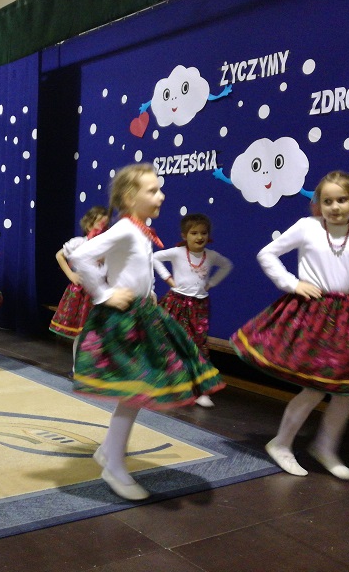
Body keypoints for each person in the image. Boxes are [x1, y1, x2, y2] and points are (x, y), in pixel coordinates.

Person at [231, 171, 349, 480]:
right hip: (311, 314)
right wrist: (292, 283)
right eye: (327, 201)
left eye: (342, 200)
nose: (334, 207)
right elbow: (267, 254)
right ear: (318, 203)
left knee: (346, 391)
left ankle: (325, 446)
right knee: (314, 387)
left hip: (345, 319)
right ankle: (281, 443)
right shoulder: (307, 227)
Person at [69, 164, 224, 500]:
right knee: (135, 391)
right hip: (122, 319)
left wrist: (149, 291)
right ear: (129, 198)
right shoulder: (126, 229)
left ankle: (109, 453)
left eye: (159, 189)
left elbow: (135, 267)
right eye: (152, 190)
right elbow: (80, 256)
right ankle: (113, 465)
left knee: (136, 392)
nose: (161, 195)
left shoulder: (141, 231)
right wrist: (104, 294)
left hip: (141, 313)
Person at [154, 213, 233, 407]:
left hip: (199, 307)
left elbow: (226, 265)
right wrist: (168, 278)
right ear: (184, 235)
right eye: (194, 233)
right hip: (176, 303)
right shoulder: (177, 253)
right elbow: (154, 257)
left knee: (196, 346)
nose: (199, 237)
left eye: (203, 233)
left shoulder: (211, 256)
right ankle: (165, 384)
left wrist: (211, 283)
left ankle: (199, 390)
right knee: (170, 342)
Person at [49, 206, 110, 341]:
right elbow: (59, 255)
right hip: (82, 293)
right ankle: (78, 354)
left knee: (98, 331)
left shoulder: (106, 247)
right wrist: (71, 275)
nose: (103, 228)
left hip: (99, 291)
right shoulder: (79, 243)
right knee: (81, 331)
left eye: (106, 226)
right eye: (100, 224)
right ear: (89, 225)